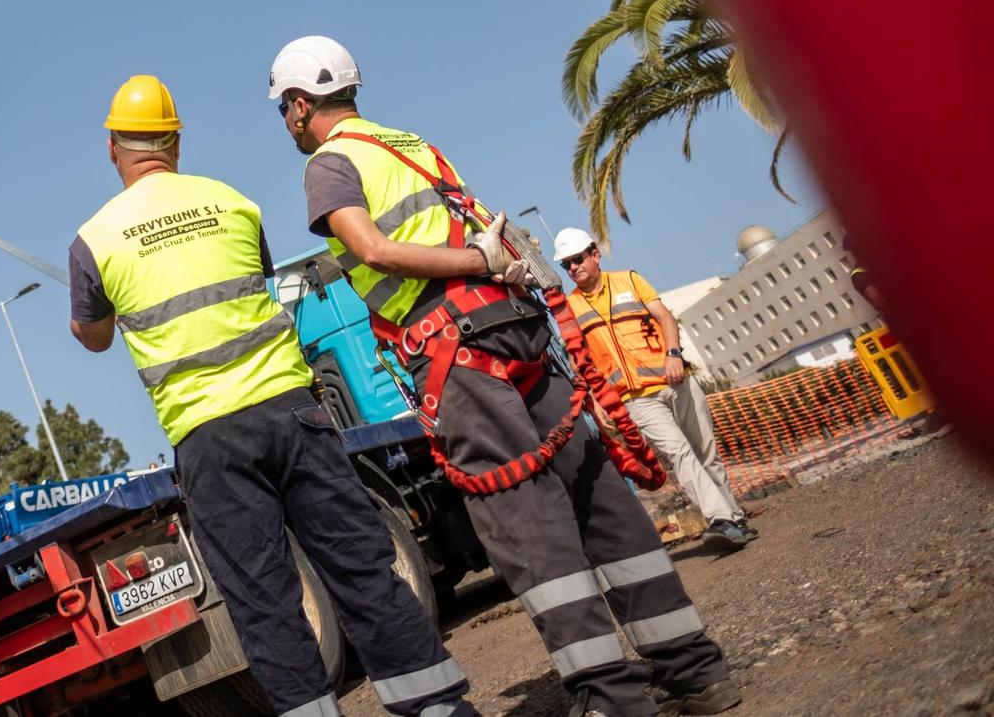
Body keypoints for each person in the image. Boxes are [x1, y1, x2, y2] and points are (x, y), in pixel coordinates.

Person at [267, 36, 741, 717]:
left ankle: (612, 697)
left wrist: (471, 264)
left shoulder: (329, 161)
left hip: (457, 348)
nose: (287, 121)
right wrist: (488, 263)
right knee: (593, 489)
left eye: (285, 107)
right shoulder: (409, 143)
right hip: (514, 327)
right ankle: (694, 668)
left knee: (527, 520)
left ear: (301, 102)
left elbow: (372, 248)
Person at [70, 74, 477, 717]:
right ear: (175, 142)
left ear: (112, 148)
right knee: (360, 566)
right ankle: (438, 707)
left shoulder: (94, 240)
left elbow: (91, 337)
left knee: (264, 603)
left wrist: (109, 310)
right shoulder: (232, 203)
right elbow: (249, 281)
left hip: (209, 437)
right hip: (292, 411)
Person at [555, 229, 757, 550]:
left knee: (706, 453)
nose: (573, 268)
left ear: (595, 255)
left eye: (577, 259)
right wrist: (596, 402)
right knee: (679, 454)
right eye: (566, 264)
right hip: (636, 399)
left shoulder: (630, 281)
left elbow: (664, 317)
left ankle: (734, 518)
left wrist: (673, 354)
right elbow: (580, 362)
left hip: (676, 379)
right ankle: (720, 517)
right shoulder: (569, 309)